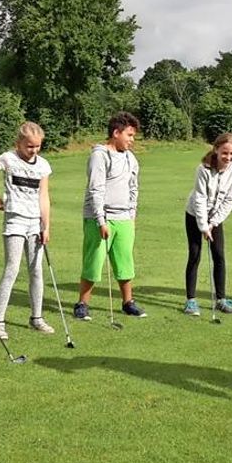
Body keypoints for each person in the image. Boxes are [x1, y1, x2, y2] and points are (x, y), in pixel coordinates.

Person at [0, 123, 53, 340]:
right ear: (18, 143)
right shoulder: (8, 159)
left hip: (35, 222)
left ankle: (36, 318)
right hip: (14, 220)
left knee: (36, 270)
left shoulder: (43, 165)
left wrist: (46, 225)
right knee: (12, 268)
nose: (34, 150)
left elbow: (44, 196)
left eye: (37, 146)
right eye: (29, 146)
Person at [74, 112, 145, 320]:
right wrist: (100, 220)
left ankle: (128, 302)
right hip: (99, 218)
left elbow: (133, 188)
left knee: (125, 261)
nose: (132, 140)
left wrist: (132, 215)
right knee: (93, 261)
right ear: (116, 133)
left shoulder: (131, 158)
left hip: (124, 218)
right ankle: (82, 304)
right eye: (129, 135)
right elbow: (96, 189)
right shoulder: (100, 156)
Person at [182, 133, 232, 316]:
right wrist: (203, 226)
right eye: (225, 153)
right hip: (194, 214)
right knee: (195, 254)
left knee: (219, 255)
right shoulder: (204, 169)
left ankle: (221, 300)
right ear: (216, 150)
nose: (228, 157)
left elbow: (230, 200)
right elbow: (199, 198)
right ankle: (191, 301)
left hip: (216, 217)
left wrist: (213, 223)